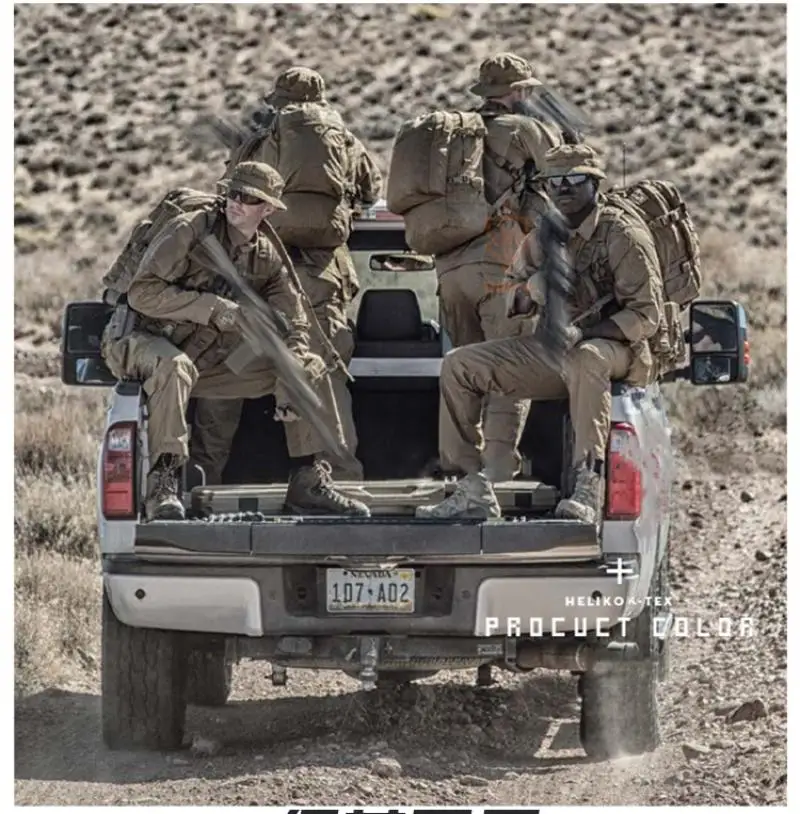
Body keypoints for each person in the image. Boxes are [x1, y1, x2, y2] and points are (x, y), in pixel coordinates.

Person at [100, 161, 371, 521]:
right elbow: (142, 294)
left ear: (269, 209)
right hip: (138, 340)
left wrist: (295, 368)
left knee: (309, 366)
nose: (235, 202)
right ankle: (164, 483)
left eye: (248, 198)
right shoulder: (189, 230)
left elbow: (295, 322)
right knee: (175, 366)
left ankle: (308, 479)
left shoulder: (266, 256)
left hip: (200, 360)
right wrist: (213, 308)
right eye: (231, 193)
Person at [416, 144, 666, 525]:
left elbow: (647, 314)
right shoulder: (544, 236)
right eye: (554, 182)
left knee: (588, 357)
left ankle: (587, 485)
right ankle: (470, 487)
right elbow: (508, 297)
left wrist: (583, 330)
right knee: (460, 365)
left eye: (574, 179)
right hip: (556, 350)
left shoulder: (621, 235)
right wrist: (532, 290)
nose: (563, 188)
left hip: (618, 350)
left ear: (594, 184)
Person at [189, 67, 382, 485]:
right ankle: (342, 484)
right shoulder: (346, 142)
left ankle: (202, 478)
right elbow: (371, 192)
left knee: (225, 379)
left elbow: (229, 200)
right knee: (320, 381)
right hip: (320, 284)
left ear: (279, 102)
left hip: (258, 287)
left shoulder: (260, 142)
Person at [433, 52, 564, 482]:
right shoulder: (525, 129)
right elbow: (565, 175)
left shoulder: (457, 139)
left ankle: (462, 472)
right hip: (497, 266)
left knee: (465, 370)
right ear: (518, 92)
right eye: (527, 90)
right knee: (507, 372)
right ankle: (497, 472)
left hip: (450, 272)